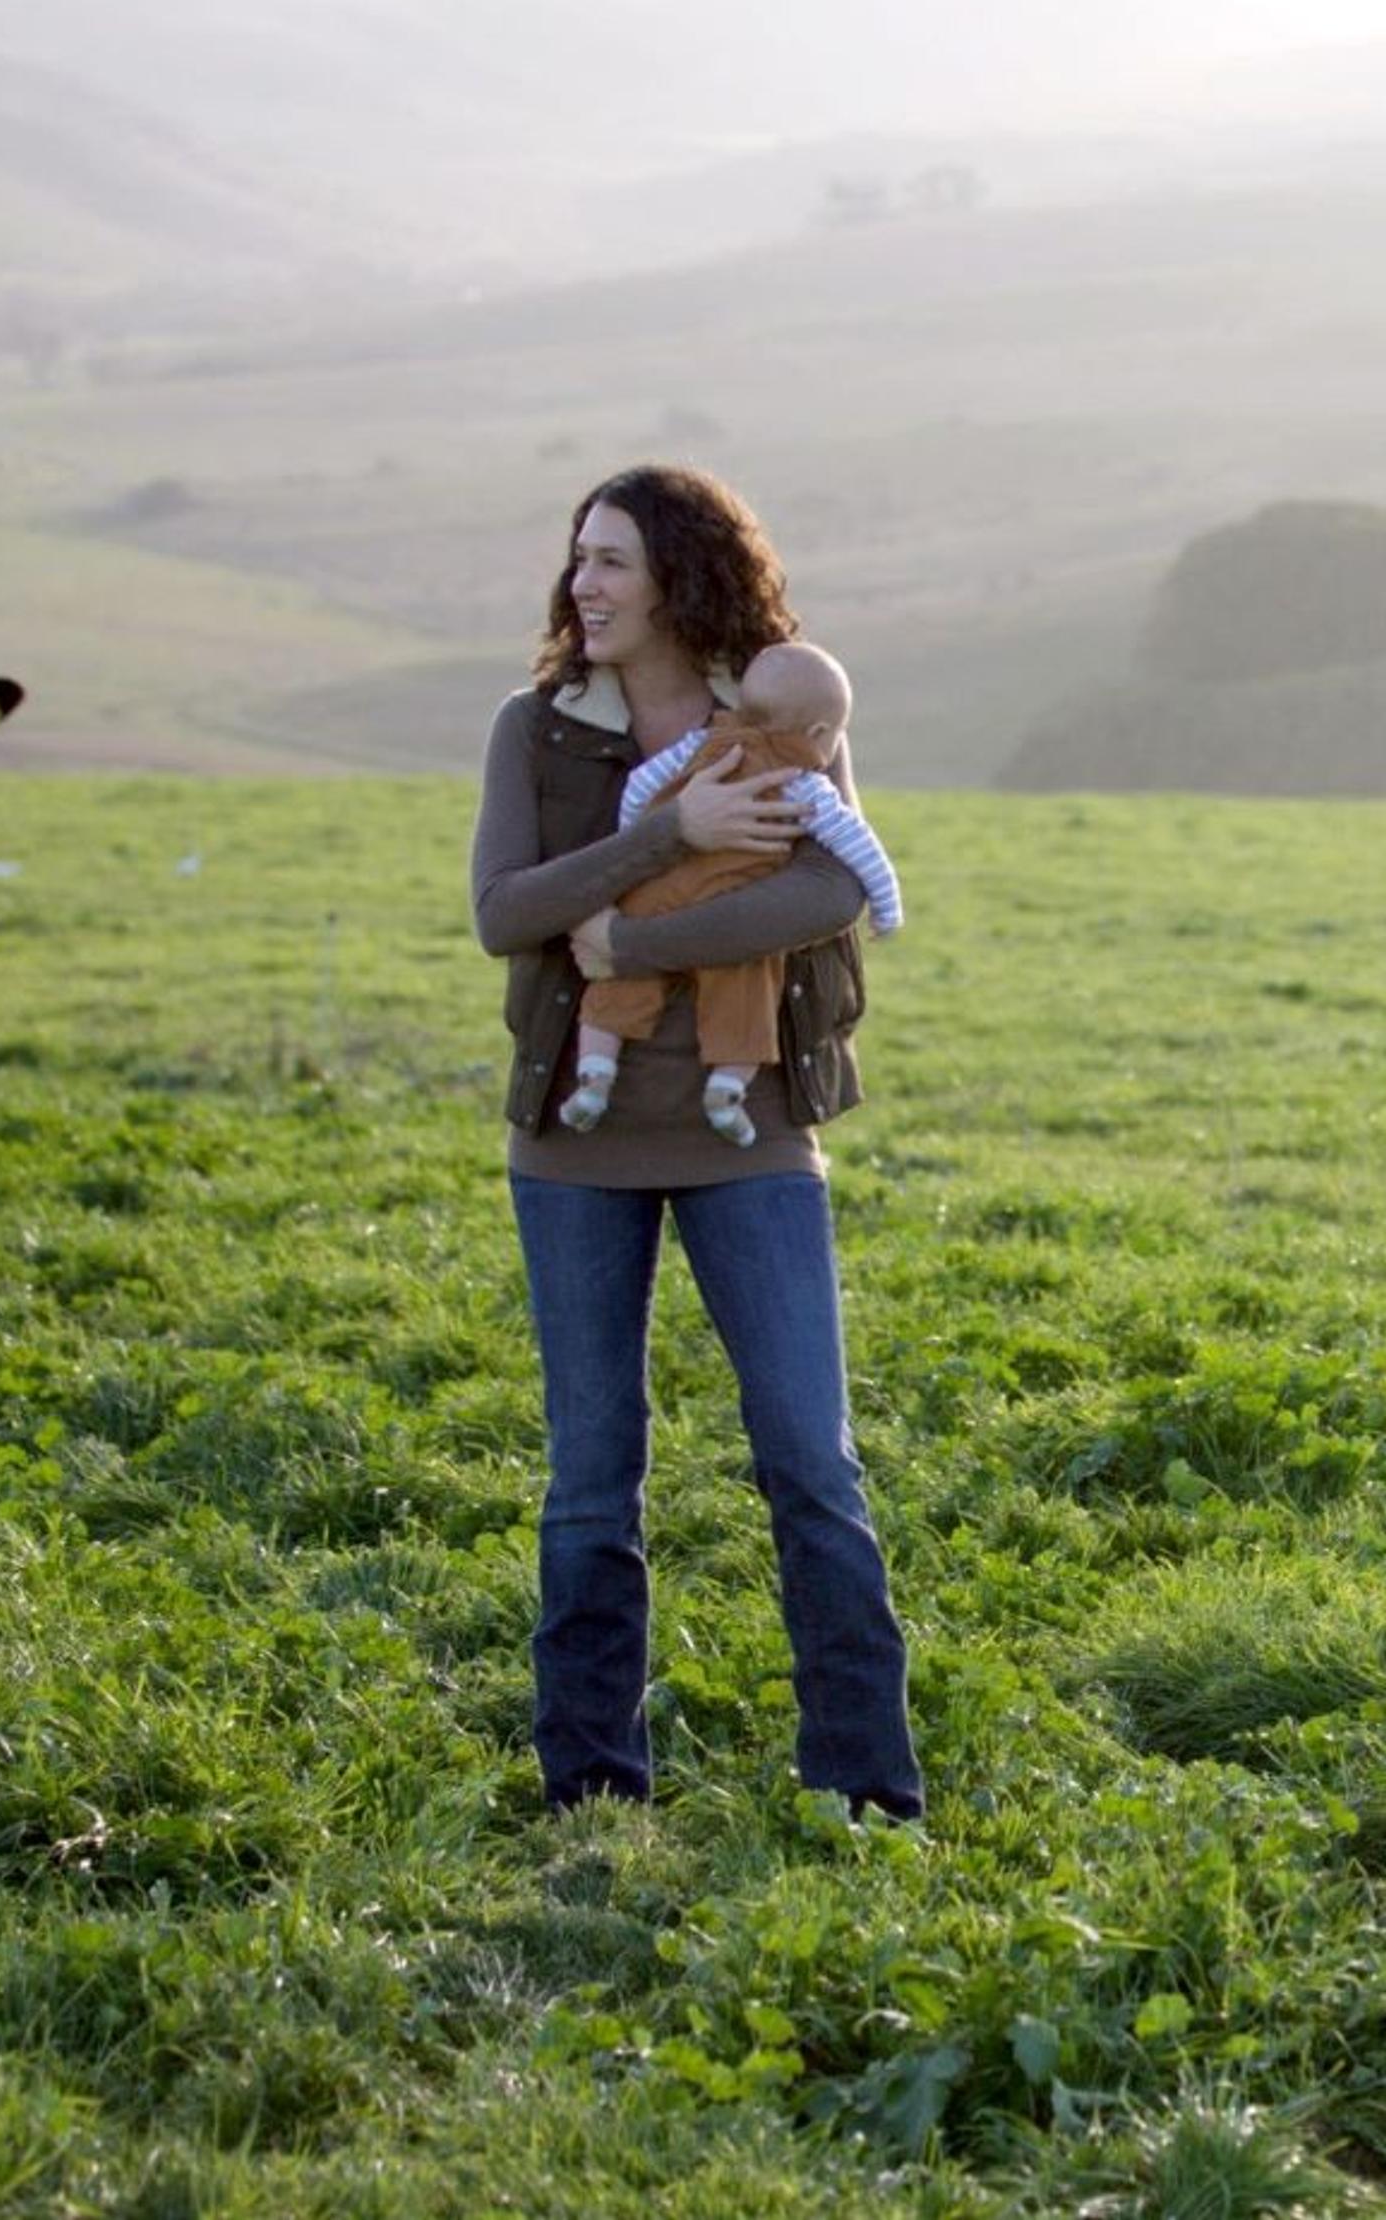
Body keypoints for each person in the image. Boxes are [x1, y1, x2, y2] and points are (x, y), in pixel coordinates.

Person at [467, 462, 922, 1820]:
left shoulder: (784, 711)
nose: (582, 586)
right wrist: (673, 832)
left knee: (809, 1461)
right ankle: (592, 1790)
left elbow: (833, 885)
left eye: (611, 561)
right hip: (575, 1144)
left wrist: (642, 939)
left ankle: (866, 1789)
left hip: (755, 1133)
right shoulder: (536, 727)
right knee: (591, 1482)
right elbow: (503, 911)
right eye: (577, 559)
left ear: (683, 575)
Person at [561, 638, 902, 1149]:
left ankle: (593, 1074)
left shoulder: (706, 743)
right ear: (816, 734)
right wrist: (887, 906)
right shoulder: (802, 780)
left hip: (660, 890)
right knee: (748, 985)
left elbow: (642, 786)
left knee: (618, 982)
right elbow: (857, 843)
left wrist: (634, 836)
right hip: (728, 906)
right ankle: (726, 1088)